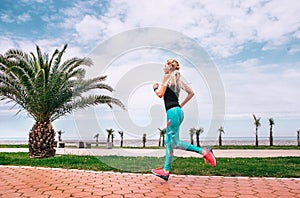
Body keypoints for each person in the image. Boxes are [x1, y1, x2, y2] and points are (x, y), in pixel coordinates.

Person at [151, 59, 216, 181]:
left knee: (175, 143)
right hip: (178, 112)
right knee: (170, 143)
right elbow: (191, 93)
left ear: (170, 67)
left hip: (172, 113)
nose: (163, 67)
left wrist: (155, 88)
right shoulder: (178, 81)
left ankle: (205, 152)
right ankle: (165, 170)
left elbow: (160, 94)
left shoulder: (167, 77)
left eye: (165, 65)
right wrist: (180, 105)